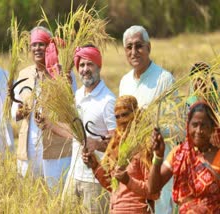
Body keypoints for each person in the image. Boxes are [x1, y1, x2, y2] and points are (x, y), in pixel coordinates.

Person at [12, 26, 77, 191]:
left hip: (55, 151)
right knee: (28, 197)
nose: (37, 48)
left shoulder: (62, 74)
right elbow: (14, 109)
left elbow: (73, 107)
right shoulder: (24, 74)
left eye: (41, 44)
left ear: (50, 46)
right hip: (28, 150)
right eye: (34, 44)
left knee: (54, 196)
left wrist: (67, 85)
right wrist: (19, 112)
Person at [119, 25, 175, 213]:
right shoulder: (124, 82)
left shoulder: (164, 79)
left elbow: (177, 126)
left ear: (149, 48)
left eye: (139, 46)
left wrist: (150, 127)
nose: (134, 52)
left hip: (157, 164)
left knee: (159, 207)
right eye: (129, 47)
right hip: (133, 168)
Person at [82, 95, 159, 213]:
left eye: (125, 114)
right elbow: (112, 185)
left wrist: (128, 180)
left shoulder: (145, 146)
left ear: (135, 114)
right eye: (117, 117)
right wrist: (95, 166)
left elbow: (153, 192)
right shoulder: (116, 144)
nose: (121, 120)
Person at [63, 45, 116, 214]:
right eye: (82, 65)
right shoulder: (78, 95)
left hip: (96, 181)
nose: (85, 69)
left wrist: (97, 144)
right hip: (73, 175)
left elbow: (118, 143)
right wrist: (48, 124)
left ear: (99, 66)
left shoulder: (108, 101)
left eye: (90, 64)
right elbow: (73, 135)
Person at [149, 101, 220, 213]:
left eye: (204, 125)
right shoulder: (179, 154)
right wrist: (158, 156)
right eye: (195, 125)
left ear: (212, 127)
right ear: (188, 125)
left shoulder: (218, 155)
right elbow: (153, 188)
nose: (198, 131)